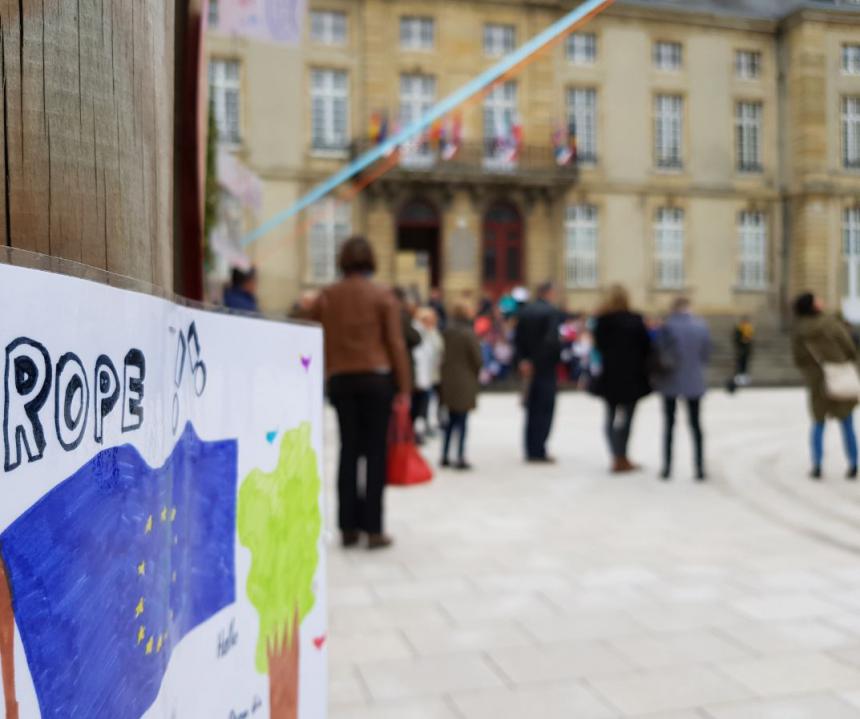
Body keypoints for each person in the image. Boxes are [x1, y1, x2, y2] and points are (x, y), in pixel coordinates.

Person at [308, 237, 411, 550]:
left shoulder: (327, 296)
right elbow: (395, 343)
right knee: (375, 453)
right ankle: (374, 529)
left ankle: (348, 527)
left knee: (348, 451)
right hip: (377, 380)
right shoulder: (383, 296)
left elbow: (308, 326)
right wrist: (405, 387)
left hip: (341, 379)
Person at [791, 292, 859, 480]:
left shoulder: (799, 330)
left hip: (817, 382)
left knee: (818, 423)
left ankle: (817, 464)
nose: (821, 301)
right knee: (847, 423)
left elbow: (798, 359)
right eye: (818, 299)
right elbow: (849, 347)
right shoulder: (830, 323)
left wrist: (813, 373)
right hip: (838, 377)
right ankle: (854, 463)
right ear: (813, 306)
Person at [592, 285, 652, 473]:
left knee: (610, 417)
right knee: (627, 418)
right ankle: (622, 456)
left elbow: (599, 347)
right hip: (632, 376)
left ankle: (616, 456)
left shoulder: (602, 322)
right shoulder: (635, 320)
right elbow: (646, 348)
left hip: (610, 375)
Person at [655, 297, 712, 481]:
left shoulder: (666, 327)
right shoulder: (701, 327)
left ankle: (667, 467)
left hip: (670, 380)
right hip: (694, 380)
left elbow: (658, 353)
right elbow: (706, 355)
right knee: (695, 425)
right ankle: (699, 467)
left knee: (669, 425)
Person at [515, 281, 562, 463]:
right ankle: (539, 450)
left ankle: (530, 447)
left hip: (528, 366)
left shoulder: (525, 311)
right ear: (548, 293)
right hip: (544, 367)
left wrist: (523, 360)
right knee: (545, 409)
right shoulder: (550, 312)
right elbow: (551, 342)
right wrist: (540, 361)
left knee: (531, 409)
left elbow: (518, 339)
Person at [440, 301, 483, 470]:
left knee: (449, 421)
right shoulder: (468, 333)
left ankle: (444, 454)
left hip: (448, 380)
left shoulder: (446, 332)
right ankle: (460, 456)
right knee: (462, 422)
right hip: (465, 380)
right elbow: (477, 360)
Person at [411, 308, 442, 442]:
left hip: (429, 375)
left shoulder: (431, 332)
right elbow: (420, 358)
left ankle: (422, 428)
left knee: (427, 404)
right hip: (420, 378)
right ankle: (416, 432)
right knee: (418, 407)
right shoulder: (418, 333)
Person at [729, 316, 755, 391]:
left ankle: (744, 377)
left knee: (745, 363)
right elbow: (736, 339)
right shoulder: (738, 329)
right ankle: (739, 377)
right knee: (740, 363)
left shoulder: (749, 329)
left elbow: (750, 340)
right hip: (741, 349)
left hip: (746, 350)